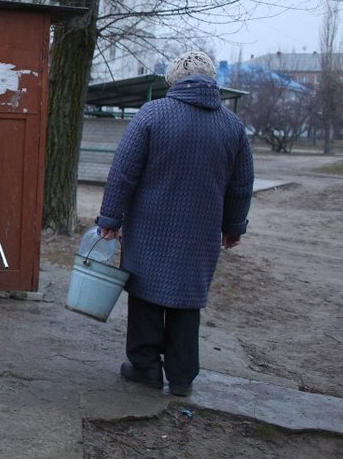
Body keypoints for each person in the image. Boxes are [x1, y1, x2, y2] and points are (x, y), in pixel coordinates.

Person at [96, 50, 254, 397]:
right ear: (212, 81)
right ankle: (182, 377)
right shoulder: (232, 125)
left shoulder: (153, 114)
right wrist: (233, 227)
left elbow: (123, 172)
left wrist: (110, 218)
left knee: (146, 295)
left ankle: (146, 367)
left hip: (150, 228)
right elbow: (241, 184)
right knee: (187, 299)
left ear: (173, 79)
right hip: (201, 233)